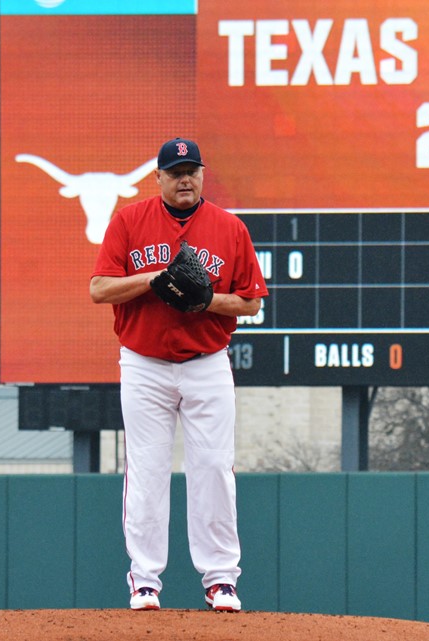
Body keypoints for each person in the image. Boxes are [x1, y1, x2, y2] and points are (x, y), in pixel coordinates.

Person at [89, 137, 269, 612]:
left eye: (192, 169)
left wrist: (205, 299)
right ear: (159, 178)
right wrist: (152, 279)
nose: (185, 178)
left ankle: (220, 580)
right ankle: (145, 580)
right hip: (144, 363)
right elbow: (100, 289)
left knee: (213, 468)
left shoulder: (229, 228)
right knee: (147, 471)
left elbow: (250, 301)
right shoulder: (129, 220)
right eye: (175, 171)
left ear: (202, 175)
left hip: (207, 362)